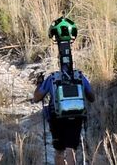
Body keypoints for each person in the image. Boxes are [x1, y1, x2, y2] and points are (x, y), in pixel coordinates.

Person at [32, 17, 95, 165]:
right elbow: (91, 97)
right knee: (71, 149)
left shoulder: (52, 78)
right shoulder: (80, 76)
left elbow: (37, 98)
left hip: (57, 117)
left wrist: (39, 84)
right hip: (76, 115)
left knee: (59, 150)